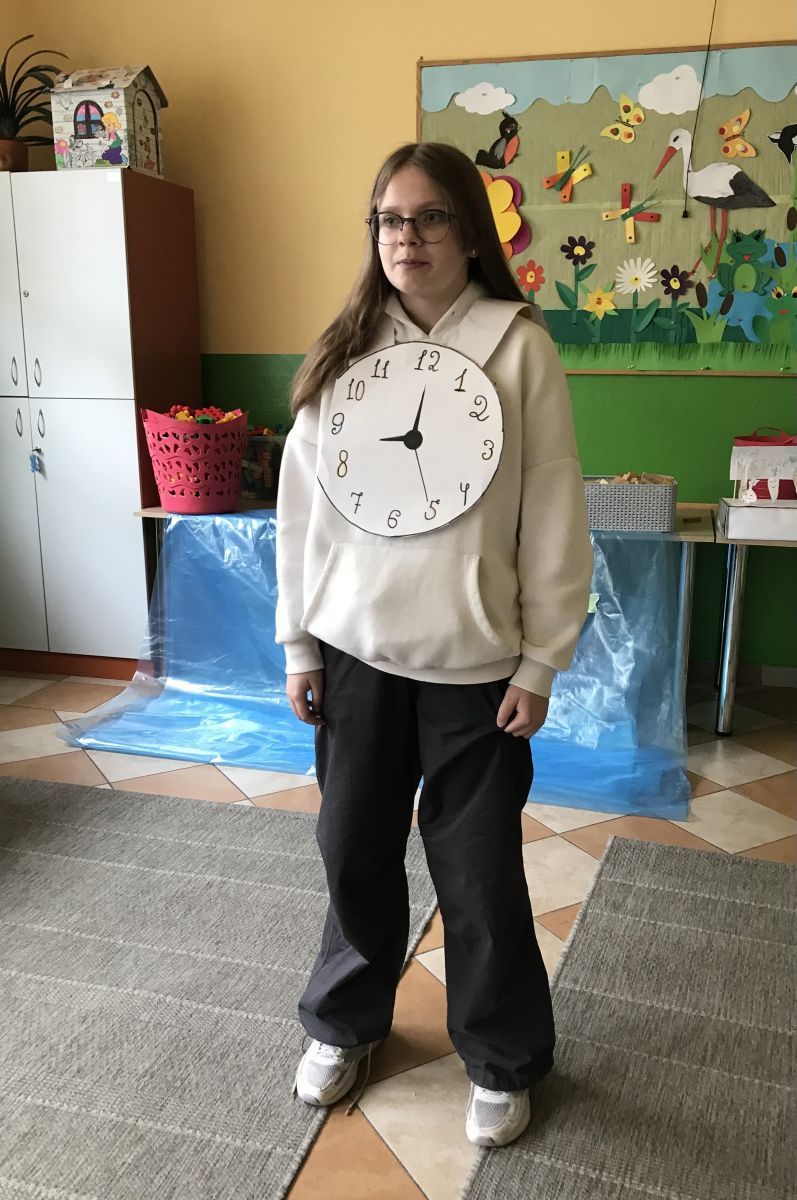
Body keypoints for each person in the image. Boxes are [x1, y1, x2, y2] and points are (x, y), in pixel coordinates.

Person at [275, 141, 593, 1148]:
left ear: (468, 232)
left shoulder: (518, 348)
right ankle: (344, 1021)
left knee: (479, 871)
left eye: (428, 217)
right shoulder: (343, 351)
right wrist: (298, 644)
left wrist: (540, 658)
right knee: (351, 850)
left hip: (475, 667)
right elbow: (301, 512)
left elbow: (552, 511)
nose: (404, 237)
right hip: (356, 656)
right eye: (388, 219)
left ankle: (500, 1056)